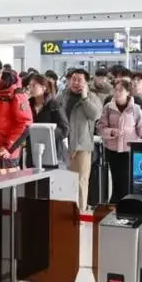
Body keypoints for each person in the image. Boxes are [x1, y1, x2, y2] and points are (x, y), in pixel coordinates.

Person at [96, 79, 142, 203]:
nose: (117, 92)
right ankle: (116, 205)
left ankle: (125, 205)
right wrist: (111, 132)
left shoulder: (135, 108)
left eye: (120, 90)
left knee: (127, 182)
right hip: (113, 151)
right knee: (117, 182)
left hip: (129, 151)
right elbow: (100, 128)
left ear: (128, 92)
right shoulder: (108, 107)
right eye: (115, 89)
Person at [57, 68, 103, 211]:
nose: (75, 82)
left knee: (81, 182)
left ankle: (80, 213)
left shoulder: (92, 97)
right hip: (63, 144)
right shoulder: (62, 96)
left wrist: (84, 98)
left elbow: (95, 115)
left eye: (79, 80)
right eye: (73, 79)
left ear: (86, 82)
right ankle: (66, 213)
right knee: (63, 182)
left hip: (81, 145)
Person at [25, 74, 69, 167]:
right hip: (32, 149)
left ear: (44, 88)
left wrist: (46, 133)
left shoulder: (54, 105)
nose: (30, 88)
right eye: (29, 86)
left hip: (52, 149)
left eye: (34, 85)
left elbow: (64, 129)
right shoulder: (27, 104)